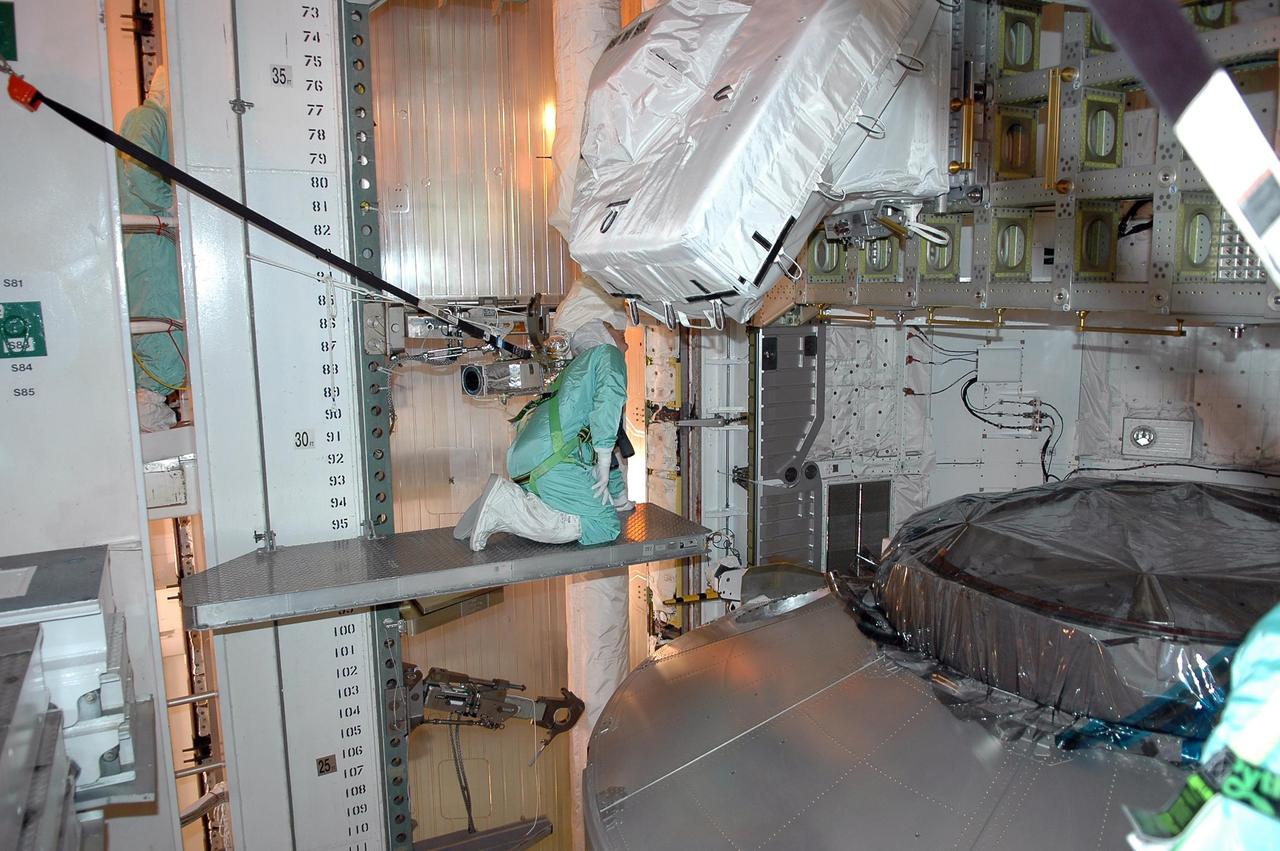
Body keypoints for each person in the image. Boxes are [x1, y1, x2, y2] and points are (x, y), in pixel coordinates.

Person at [456, 279, 631, 551]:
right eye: (623, 336)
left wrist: (620, 499)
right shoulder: (607, 356)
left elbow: (607, 439)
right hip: (551, 462)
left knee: (596, 502)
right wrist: (607, 459)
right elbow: (608, 415)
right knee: (604, 525)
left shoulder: (575, 374)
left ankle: (512, 503)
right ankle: (506, 506)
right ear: (605, 332)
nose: (627, 345)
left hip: (529, 461)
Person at [118, 66, 185, 431]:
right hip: (150, 243)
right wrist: (170, 204)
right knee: (161, 314)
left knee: (161, 315)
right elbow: (138, 167)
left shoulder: (153, 121)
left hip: (152, 245)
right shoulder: (147, 118)